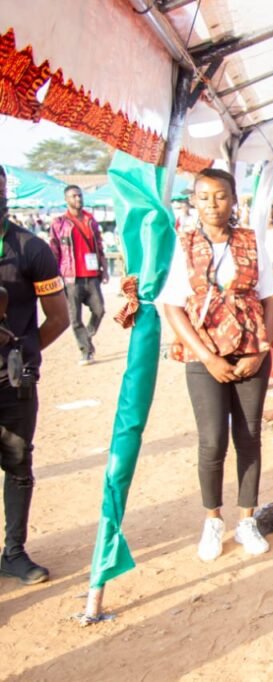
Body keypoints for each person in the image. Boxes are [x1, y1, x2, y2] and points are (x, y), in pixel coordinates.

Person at [158, 169, 273, 561]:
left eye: (221, 196)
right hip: (203, 355)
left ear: (234, 200)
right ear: (194, 201)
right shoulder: (184, 244)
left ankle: (246, 520)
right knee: (212, 440)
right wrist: (208, 357)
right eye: (204, 196)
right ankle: (212, 520)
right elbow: (172, 306)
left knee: (248, 436)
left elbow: (271, 298)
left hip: (250, 354)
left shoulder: (250, 241)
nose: (213, 204)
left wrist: (260, 350)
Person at [0, 165, 69, 585]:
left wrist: (23, 353)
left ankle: (13, 552)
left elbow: (59, 317)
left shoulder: (32, 248)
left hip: (13, 382)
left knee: (17, 463)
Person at [49, 185, 108, 365]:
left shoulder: (91, 220)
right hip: (71, 277)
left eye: (80, 196)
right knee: (75, 318)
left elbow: (99, 246)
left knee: (99, 310)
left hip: (92, 274)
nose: (78, 199)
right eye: (74, 196)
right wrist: (54, 275)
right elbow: (54, 249)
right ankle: (86, 350)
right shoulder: (59, 223)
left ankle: (87, 336)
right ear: (66, 199)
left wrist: (104, 268)